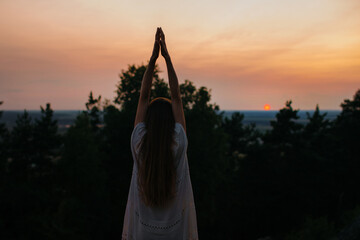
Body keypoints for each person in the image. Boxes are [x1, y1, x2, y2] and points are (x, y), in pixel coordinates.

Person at [121, 27, 198, 240]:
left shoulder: (139, 142)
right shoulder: (178, 141)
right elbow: (177, 97)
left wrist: (153, 59)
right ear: (172, 122)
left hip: (143, 232)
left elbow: (143, 97)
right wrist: (167, 58)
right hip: (175, 232)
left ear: (148, 121)